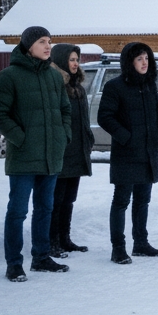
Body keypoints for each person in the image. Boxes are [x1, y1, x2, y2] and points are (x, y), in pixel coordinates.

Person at [0, 26, 72, 282]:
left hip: (51, 156)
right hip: (24, 157)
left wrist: (63, 136)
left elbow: (65, 111)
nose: (48, 46)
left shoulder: (54, 76)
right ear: (28, 46)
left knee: (45, 209)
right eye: (42, 42)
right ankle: (14, 263)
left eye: (49, 41)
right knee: (17, 211)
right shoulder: (9, 76)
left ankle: (41, 257)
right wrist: (21, 139)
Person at [97, 42, 158, 264]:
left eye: (146, 58)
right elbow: (105, 117)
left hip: (147, 152)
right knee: (121, 201)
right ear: (129, 62)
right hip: (126, 153)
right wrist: (126, 137)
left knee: (143, 201)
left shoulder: (149, 85)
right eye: (139, 59)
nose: (144, 62)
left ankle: (141, 243)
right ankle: (118, 248)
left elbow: (156, 113)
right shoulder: (115, 86)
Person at [48, 43, 94, 258]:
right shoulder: (55, 86)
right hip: (61, 150)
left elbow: (83, 119)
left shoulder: (79, 88)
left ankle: (65, 238)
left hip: (77, 149)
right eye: (71, 60)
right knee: (56, 199)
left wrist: (88, 138)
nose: (75, 64)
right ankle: (52, 240)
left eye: (77, 60)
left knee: (69, 198)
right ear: (60, 61)